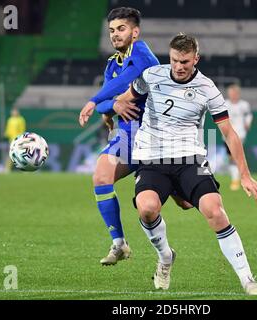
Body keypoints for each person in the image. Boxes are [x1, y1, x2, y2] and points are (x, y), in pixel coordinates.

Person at [114, 34, 257, 295]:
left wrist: (245, 175)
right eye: (174, 60)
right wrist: (116, 104)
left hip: (190, 160)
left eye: (185, 61)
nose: (179, 66)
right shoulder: (151, 76)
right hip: (153, 160)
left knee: (215, 211)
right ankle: (165, 257)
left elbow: (229, 133)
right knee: (147, 209)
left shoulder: (207, 89)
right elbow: (125, 98)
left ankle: (247, 279)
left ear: (196, 58)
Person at [78, 7, 191, 266]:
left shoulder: (142, 54)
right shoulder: (111, 65)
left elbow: (127, 81)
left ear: (135, 32)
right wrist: (111, 105)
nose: (115, 35)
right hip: (128, 134)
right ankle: (119, 243)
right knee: (101, 176)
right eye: (111, 31)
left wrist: (96, 101)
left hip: (158, 137)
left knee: (185, 203)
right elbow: (109, 98)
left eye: (121, 29)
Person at [225, 83, 253, 191]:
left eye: (234, 93)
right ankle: (237, 179)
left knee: (234, 156)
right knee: (231, 158)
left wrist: (248, 123)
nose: (232, 95)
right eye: (230, 93)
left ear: (238, 94)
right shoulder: (225, 104)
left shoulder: (244, 105)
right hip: (227, 135)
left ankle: (236, 181)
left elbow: (249, 115)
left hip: (239, 134)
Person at [4, 107, 26, 172]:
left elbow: (22, 130)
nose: (14, 113)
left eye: (15, 111)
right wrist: (6, 134)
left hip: (18, 140)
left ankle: (26, 168)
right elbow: (8, 130)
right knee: (11, 155)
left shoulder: (21, 119)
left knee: (21, 154)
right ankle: (7, 169)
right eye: (13, 111)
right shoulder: (10, 120)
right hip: (11, 140)